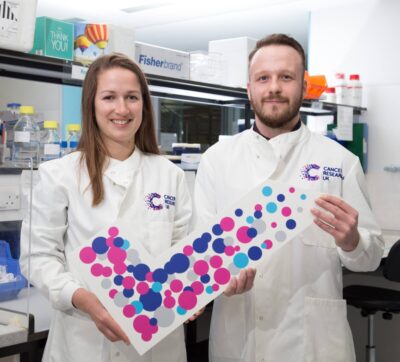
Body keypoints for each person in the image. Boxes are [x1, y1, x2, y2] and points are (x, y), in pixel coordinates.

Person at [193, 34, 384, 362]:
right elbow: (200, 255)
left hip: (312, 343)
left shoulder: (339, 162)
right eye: (263, 78)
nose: (274, 88)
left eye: (286, 77)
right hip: (238, 339)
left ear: (304, 84)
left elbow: (371, 258)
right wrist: (218, 278)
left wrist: (352, 240)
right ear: (249, 88)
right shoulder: (216, 159)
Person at [20, 53, 193, 362]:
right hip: (82, 341)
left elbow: (185, 251)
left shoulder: (171, 175)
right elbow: (38, 258)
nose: (122, 109)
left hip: (158, 343)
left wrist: (191, 291)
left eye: (132, 97)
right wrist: (83, 299)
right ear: (92, 104)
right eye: (109, 97)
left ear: (144, 105)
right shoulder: (59, 175)